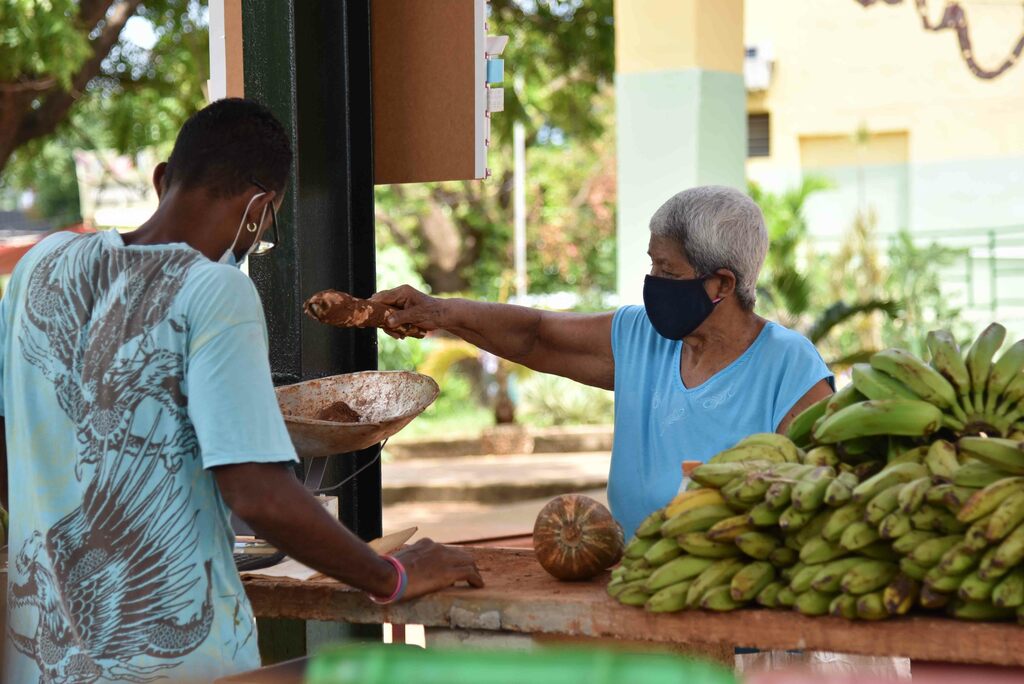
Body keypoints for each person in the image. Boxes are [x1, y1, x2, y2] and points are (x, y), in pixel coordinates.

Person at [0, 98, 482, 683]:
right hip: (174, 668)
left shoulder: (41, 266)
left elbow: (13, 450)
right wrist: (394, 576)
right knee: (403, 669)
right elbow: (257, 494)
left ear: (161, 181)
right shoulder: (215, 289)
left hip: (39, 664)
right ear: (258, 209)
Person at [373, 186, 835, 538]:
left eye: (668, 272)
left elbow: (806, 503)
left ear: (722, 285)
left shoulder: (790, 367)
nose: (652, 282)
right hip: (634, 588)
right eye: (652, 265)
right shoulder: (641, 336)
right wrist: (438, 311)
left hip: (737, 609)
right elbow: (537, 334)